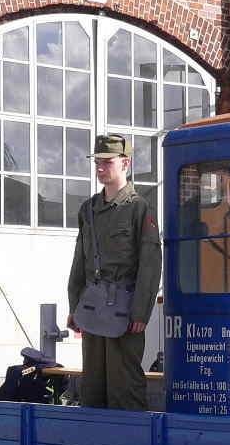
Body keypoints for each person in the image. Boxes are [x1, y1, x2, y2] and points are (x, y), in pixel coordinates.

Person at [67, 135, 162, 410]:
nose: (100, 167)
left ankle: (133, 438)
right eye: (97, 161)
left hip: (125, 311)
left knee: (125, 388)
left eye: (107, 162)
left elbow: (150, 263)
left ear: (125, 164)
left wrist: (141, 312)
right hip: (93, 308)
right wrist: (74, 307)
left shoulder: (139, 208)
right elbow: (79, 263)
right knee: (92, 389)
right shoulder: (88, 209)